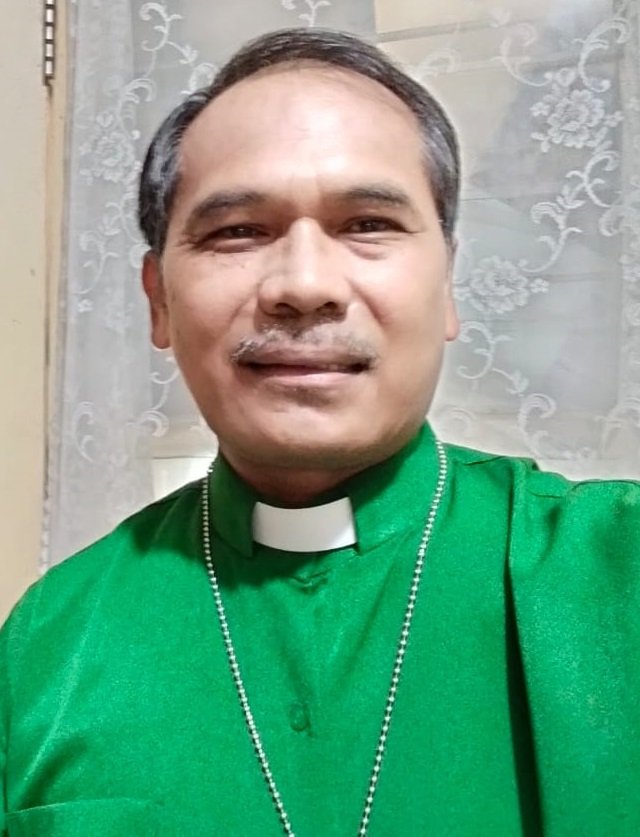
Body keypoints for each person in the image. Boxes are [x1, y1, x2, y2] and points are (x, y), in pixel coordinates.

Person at [1, 27, 639, 836]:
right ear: (158, 300)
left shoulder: (614, 571)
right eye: (238, 230)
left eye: (368, 222)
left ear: (447, 282)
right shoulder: (48, 640)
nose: (304, 285)